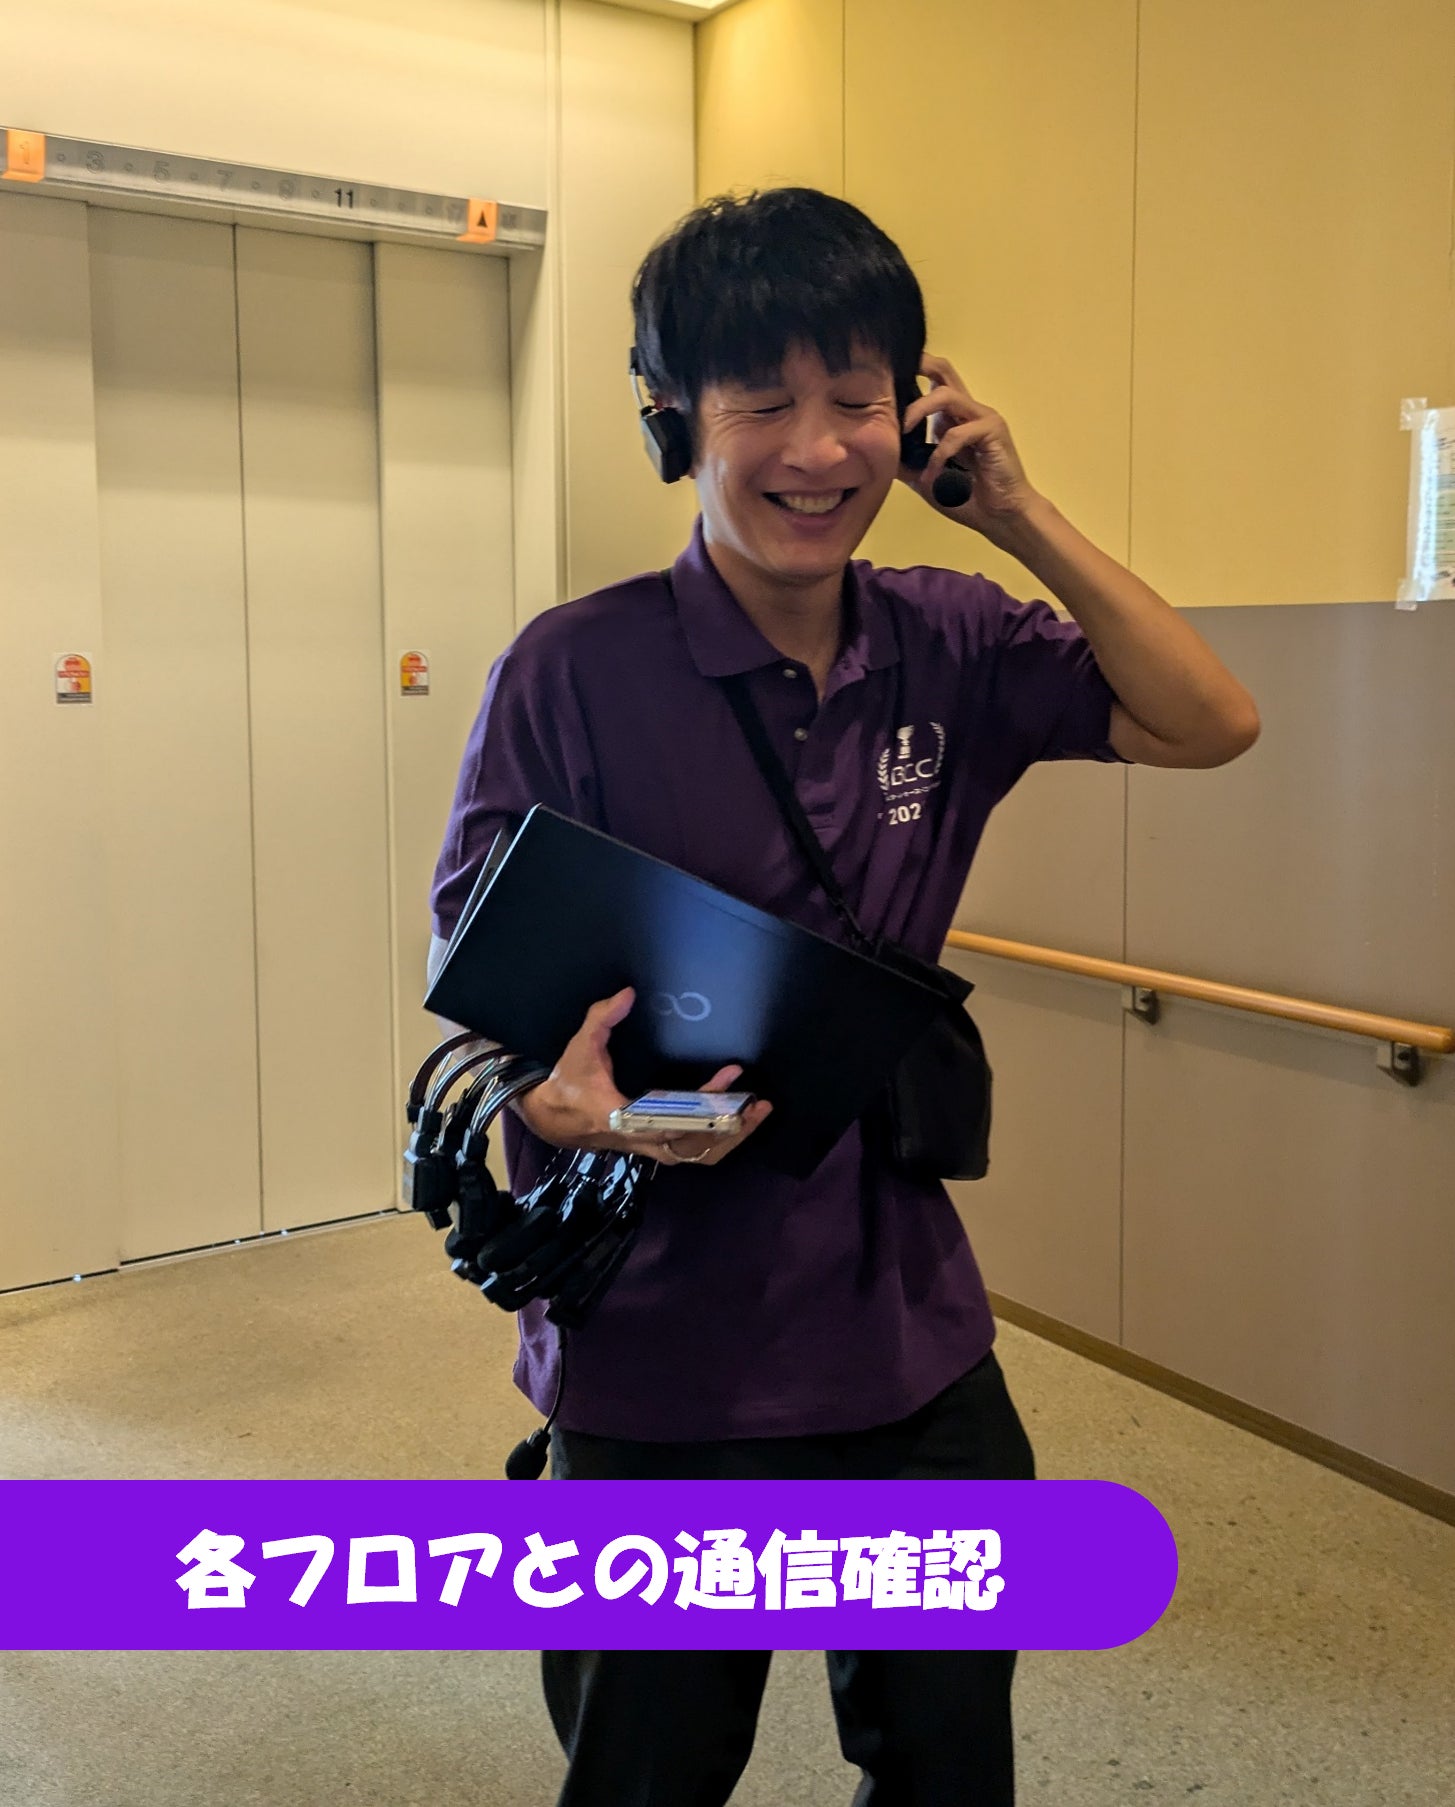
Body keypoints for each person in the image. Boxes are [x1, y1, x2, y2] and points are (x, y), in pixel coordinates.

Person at [428, 187, 1259, 1807]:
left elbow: (1209, 720)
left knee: (948, 1764)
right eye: (763, 403)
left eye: (857, 399)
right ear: (674, 419)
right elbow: (487, 979)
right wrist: (560, 1103)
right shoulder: (573, 668)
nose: (817, 450)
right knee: (649, 1774)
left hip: (906, 1336)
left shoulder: (950, 636)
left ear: (915, 413)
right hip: (660, 1344)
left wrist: (1017, 514)